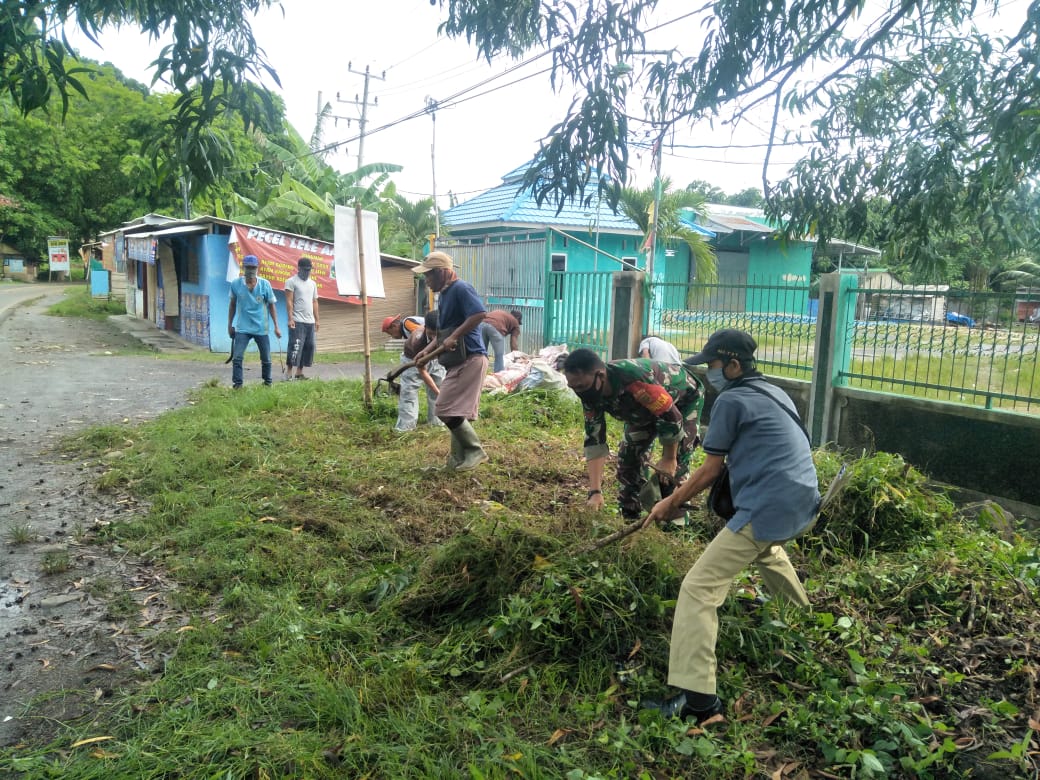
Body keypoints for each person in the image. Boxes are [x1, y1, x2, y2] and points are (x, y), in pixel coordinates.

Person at [640, 329, 820, 724]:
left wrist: (669, 502)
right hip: (804, 502)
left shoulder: (732, 399)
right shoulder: (775, 392)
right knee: (766, 549)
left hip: (770, 506)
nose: (709, 374)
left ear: (734, 365)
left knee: (698, 589)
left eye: (714, 366)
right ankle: (800, 619)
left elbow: (709, 469)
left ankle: (701, 704)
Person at [561, 348, 703, 521]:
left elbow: (669, 415)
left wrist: (668, 458)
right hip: (642, 411)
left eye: (581, 386)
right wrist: (595, 491)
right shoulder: (590, 393)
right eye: (573, 387)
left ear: (601, 375)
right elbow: (594, 440)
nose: (578, 392)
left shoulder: (634, 378)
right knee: (628, 458)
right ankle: (631, 517)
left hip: (682, 401)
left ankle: (675, 524)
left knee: (675, 468)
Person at [413, 251, 489, 471]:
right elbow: (441, 335)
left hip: (471, 357)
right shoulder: (445, 295)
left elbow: (479, 314)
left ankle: (475, 450)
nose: (426, 281)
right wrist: (424, 351)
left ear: (442, 272)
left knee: (445, 408)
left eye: (428, 276)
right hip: (457, 361)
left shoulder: (461, 288)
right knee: (456, 412)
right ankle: (455, 462)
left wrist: (455, 336)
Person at [228, 254, 281, 388]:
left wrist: (276, 326)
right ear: (243, 267)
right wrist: (229, 325)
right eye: (248, 267)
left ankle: (267, 383)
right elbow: (232, 305)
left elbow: (271, 305)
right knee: (237, 357)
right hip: (242, 328)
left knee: (266, 358)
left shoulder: (265, 285)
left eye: (253, 268)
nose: (250, 270)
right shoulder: (235, 284)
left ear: (257, 268)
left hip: (261, 328)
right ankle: (237, 385)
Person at [393, 309, 447, 432]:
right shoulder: (417, 340)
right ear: (425, 327)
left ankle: (437, 423)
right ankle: (406, 427)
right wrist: (441, 394)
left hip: (435, 360)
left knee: (440, 386)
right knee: (409, 392)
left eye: (436, 334)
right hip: (412, 360)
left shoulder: (445, 332)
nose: (434, 337)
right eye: (431, 333)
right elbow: (423, 372)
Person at [284, 257, 319, 380]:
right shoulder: (291, 281)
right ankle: (288, 373)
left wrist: (317, 320)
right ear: (299, 268)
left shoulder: (313, 283)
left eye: (309, 270)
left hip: (310, 321)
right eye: (305, 269)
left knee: (308, 346)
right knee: (295, 346)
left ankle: (299, 373)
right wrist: (290, 319)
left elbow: (314, 302)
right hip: (297, 320)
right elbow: (289, 301)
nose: (307, 272)